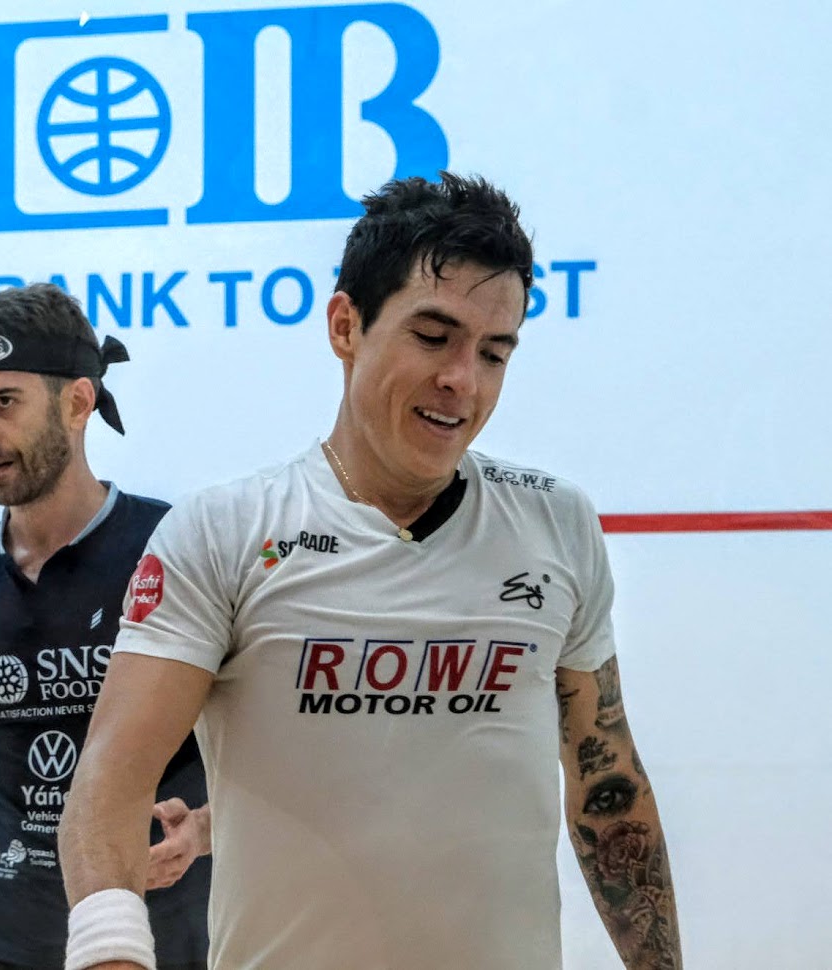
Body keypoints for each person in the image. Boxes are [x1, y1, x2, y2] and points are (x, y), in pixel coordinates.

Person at [58, 174, 682, 970]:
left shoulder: (555, 524)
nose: (463, 380)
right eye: (433, 336)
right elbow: (108, 787)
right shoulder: (224, 532)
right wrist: (111, 953)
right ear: (345, 325)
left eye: (494, 352)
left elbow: (608, 792)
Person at [0, 283, 212, 970]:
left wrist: (204, 831)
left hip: (149, 941)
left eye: (3, 402)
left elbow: (258, 756)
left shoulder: (177, 549)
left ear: (78, 403)